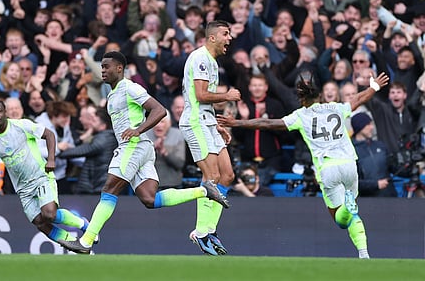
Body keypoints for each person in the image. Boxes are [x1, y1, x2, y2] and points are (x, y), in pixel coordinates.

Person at [57, 51, 227, 254]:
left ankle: (86, 241)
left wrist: (138, 129)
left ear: (119, 68)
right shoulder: (113, 93)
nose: (102, 71)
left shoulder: (130, 87)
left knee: (109, 190)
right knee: (150, 199)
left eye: (106, 67)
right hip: (142, 148)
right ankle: (204, 190)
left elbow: (159, 110)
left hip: (133, 146)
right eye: (101, 67)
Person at [218, 72, 390, 259]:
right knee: (353, 214)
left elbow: (267, 123)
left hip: (328, 168)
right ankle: (363, 253)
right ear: (320, 97)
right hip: (349, 164)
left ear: (302, 100)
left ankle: (348, 210)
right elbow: (358, 99)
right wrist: (374, 87)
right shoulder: (336, 107)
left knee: (341, 220)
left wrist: (237, 123)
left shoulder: (301, 115)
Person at [0, 99, 93, 246]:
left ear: (5, 112)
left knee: (49, 214)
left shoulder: (21, 125)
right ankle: (72, 242)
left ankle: (83, 224)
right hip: (22, 187)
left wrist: (51, 159)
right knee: (39, 222)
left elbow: (49, 134)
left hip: (40, 176)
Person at [180, 20, 241, 256]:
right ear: (212, 37)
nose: (230, 39)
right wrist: (228, 95)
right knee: (212, 176)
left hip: (206, 122)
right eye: (226, 34)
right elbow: (201, 94)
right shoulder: (200, 58)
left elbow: (203, 100)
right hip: (195, 123)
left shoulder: (212, 62)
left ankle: (208, 229)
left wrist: (216, 123)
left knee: (227, 175)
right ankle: (200, 231)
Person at [351, 112, 397, 197]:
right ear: (359, 127)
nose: (372, 127)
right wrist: (376, 184)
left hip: (390, 197)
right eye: (368, 124)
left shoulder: (380, 145)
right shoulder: (351, 151)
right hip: (369, 202)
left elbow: (394, 168)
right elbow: (352, 182)